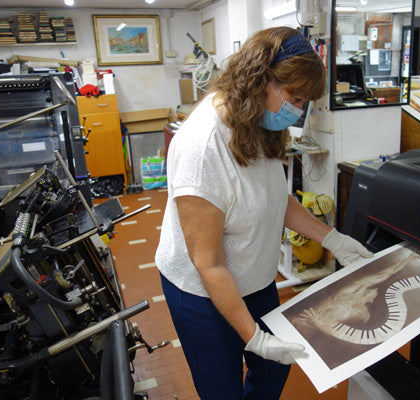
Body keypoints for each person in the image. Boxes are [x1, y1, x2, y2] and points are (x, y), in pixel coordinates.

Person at [155, 26, 372, 400]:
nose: (297, 110)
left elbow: (273, 198)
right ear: (258, 79)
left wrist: (332, 238)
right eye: (294, 97)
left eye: (305, 102)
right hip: (201, 293)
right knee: (222, 389)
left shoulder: (256, 122)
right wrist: (253, 337)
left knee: (272, 374)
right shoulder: (202, 147)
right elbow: (208, 263)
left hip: (254, 279)